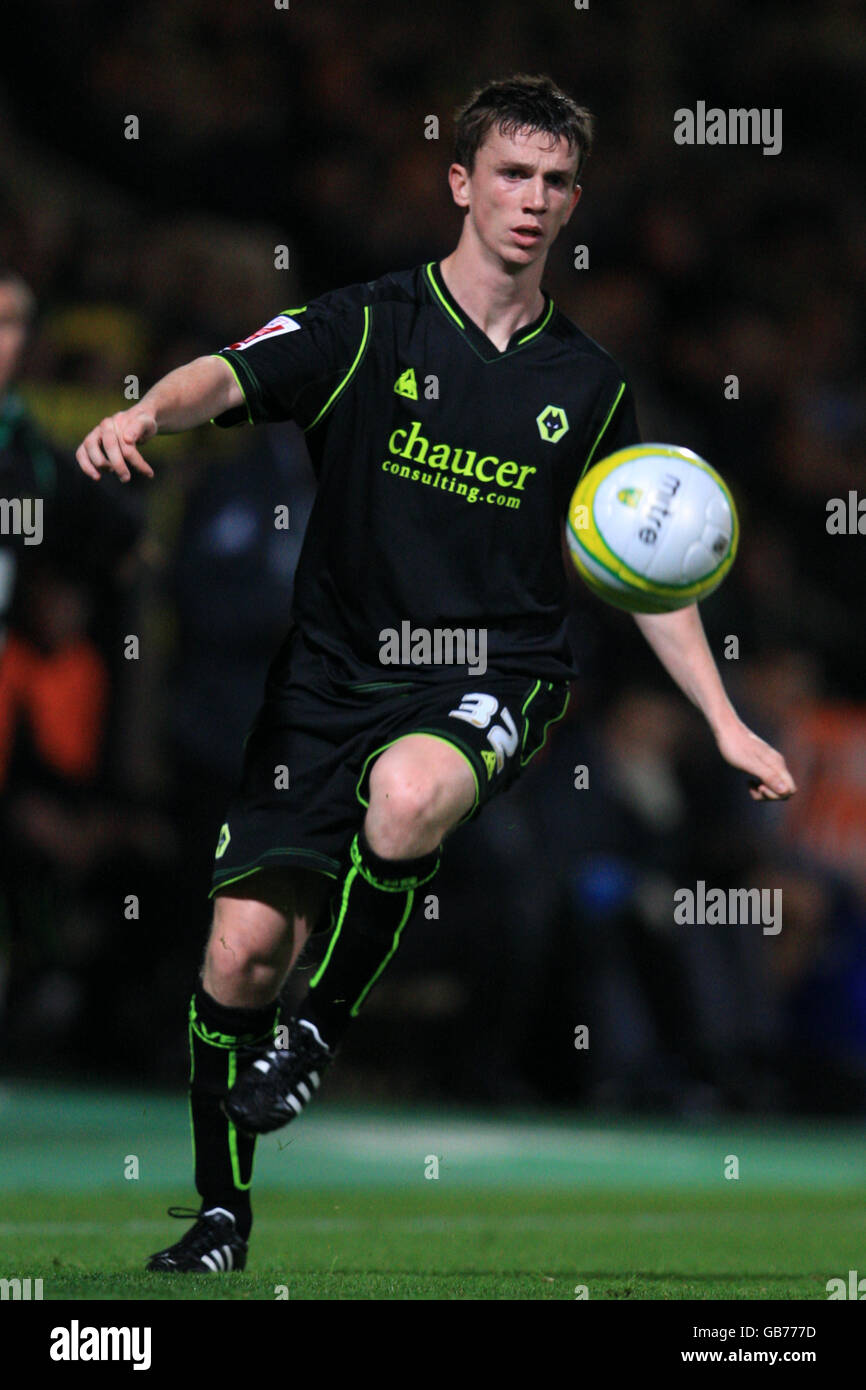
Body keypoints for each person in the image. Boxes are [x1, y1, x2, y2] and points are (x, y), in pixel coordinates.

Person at [75, 75, 796, 1273]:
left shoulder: (592, 386)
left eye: (556, 182)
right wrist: (144, 411)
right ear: (459, 183)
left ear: (572, 205)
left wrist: (719, 718)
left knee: (407, 798)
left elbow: (648, 566)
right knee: (236, 953)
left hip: (494, 672)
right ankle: (219, 1213)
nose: (533, 200)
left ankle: (319, 1032)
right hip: (324, 683)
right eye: (511, 174)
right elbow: (226, 372)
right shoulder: (368, 326)